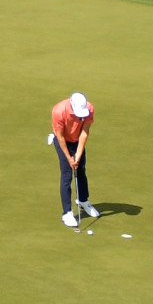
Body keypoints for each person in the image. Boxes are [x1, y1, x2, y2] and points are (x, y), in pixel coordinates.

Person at [51, 91, 98, 227]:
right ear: (71, 105)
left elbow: (84, 132)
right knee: (67, 175)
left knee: (81, 170)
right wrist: (69, 158)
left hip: (77, 140)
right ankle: (67, 212)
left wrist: (77, 155)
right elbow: (60, 137)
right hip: (62, 141)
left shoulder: (89, 109)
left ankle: (83, 201)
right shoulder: (59, 111)